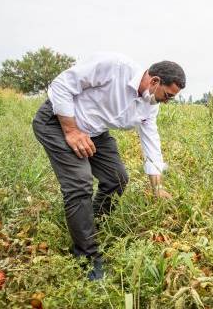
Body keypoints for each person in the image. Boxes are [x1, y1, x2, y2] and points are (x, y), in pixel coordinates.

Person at [32, 53, 185, 280]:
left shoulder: (150, 106)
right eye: (167, 95)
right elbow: (62, 84)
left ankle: (90, 225)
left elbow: (151, 143)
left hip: (95, 132)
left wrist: (157, 187)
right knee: (80, 184)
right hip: (58, 122)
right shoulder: (116, 68)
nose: (167, 101)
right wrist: (71, 130)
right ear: (154, 81)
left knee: (117, 179)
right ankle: (87, 256)